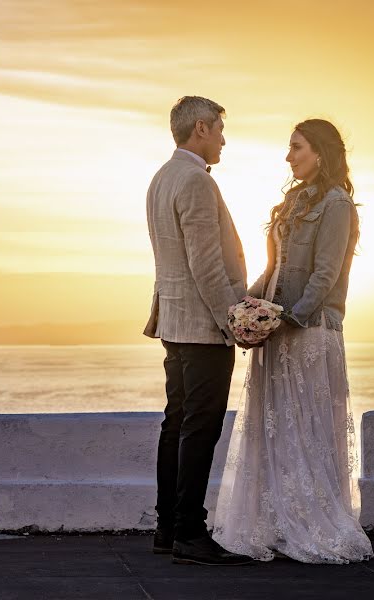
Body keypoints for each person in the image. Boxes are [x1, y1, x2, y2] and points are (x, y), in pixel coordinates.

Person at [212, 119, 374, 563]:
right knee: (278, 425)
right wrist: (248, 306)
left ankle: (315, 520)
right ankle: (279, 521)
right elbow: (276, 268)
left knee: (306, 426)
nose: (289, 157)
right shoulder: (293, 202)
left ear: (320, 152)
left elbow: (326, 273)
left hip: (311, 329)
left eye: (297, 148)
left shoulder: (338, 205)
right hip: (279, 328)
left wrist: (290, 318)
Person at [144, 96, 253, 566]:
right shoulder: (194, 181)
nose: (225, 139)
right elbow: (206, 266)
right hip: (203, 326)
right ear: (202, 128)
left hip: (174, 321)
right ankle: (190, 531)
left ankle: (167, 528)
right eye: (221, 130)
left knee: (177, 423)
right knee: (200, 428)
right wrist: (234, 320)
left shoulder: (162, 177)